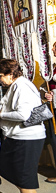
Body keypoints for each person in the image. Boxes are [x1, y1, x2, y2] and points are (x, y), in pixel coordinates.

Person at [0, 59, 45, 193]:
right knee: (7, 167)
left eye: (0, 76)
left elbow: (23, 114)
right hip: (18, 136)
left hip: (27, 138)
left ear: (11, 74)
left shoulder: (21, 86)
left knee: (25, 180)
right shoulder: (16, 85)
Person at [44, 41, 56, 184]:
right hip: (53, 106)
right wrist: (49, 94)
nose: (52, 49)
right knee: (53, 139)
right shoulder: (53, 67)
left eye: (55, 46)